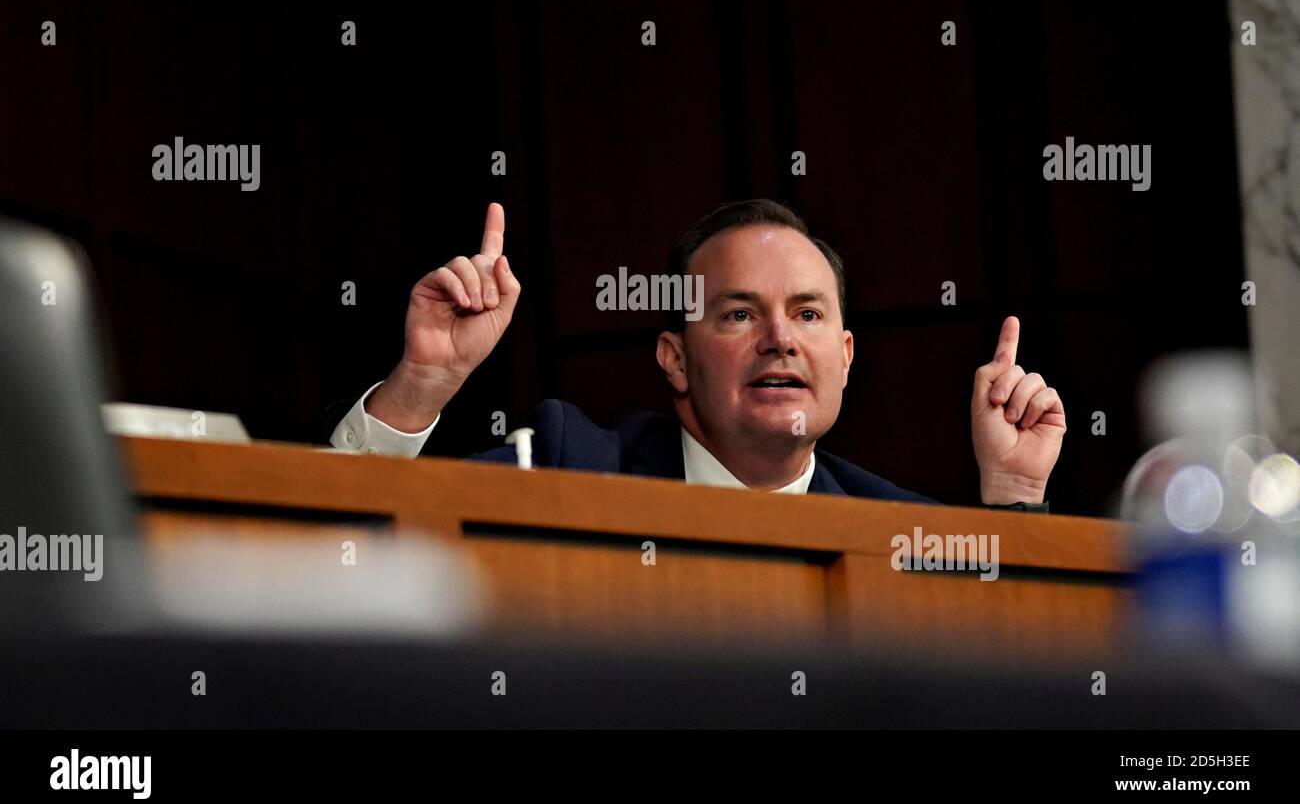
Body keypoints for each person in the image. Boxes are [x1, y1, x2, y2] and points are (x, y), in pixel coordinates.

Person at [326, 199, 1066, 507]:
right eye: (740, 312)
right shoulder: (573, 463)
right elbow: (348, 551)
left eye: (807, 313)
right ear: (675, 359)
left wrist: (1012, 496)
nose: (780, 338)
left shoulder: (900, 527)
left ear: (844, 356)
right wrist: (421, 385)